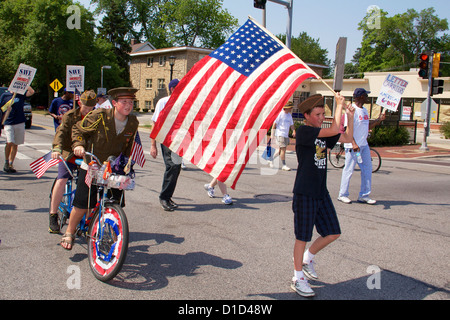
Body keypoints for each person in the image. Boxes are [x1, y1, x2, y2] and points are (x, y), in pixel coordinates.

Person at [291, 93, 354, 297]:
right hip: (305, 191)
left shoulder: (321, 134)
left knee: (333, 232)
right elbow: (335, 129)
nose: (321, 118)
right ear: (307, 115)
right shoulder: (304, 132)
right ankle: (297, 277)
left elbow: (347, 138)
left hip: (321, 191)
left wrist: (349, 117)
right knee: (303, 236)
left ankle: (308, 258)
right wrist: (338, 105)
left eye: (322, 114)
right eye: (317, 114)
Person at [60, 87, 139, 250]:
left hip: (114, 168)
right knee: (83, 204)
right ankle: (69, 231)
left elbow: (128, 145)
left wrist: (128, 164)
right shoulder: (100, 115)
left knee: (115, 203)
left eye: (131, 102)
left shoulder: (133, 122)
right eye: (124, 102)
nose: (128, 105)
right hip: (92, 165)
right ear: (115, 103)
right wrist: (79, 145)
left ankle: (110, 231)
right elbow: (78, 130)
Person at [48, 90, 97, 233]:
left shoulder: (96, 117)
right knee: (62, 179)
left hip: (86, 155)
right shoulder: (70, 115)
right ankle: (53, 214)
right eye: (86, 107)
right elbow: (61, 133)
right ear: (80, 103)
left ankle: (88, 220)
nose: (88, 110)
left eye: (91, 107)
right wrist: (57, 148)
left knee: (90, 184)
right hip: (69, 153)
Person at [337, 88, 385, 205]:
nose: (367, 98)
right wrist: (353, 143)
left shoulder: (364, 110)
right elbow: (348, 130)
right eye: (366, 95)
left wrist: (378, 120)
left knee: (367, 170)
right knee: (349, 170)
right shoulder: (351, 110)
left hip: (363, 146)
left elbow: (368, 125)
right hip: (354, 147)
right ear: (361, 97)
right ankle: (342, 194)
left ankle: (364, 195)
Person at [150, 79, 182, 212]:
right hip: (166, 138)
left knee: (177, 168)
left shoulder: (183, 103)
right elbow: (154, 123)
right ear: (172, 89)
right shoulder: (163, 102)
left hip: (179, 139)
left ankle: (168, 197)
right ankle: (164, 197)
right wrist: (153, 145)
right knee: (172, 166)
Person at [0, 86, 35, 173]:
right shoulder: (5, 95)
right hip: (8, 121)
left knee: (15, 144)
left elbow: (32, 92)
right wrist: (5, 109)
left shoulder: (21, 94)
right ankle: (6, 161)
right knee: (9, 142)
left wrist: (26, 84)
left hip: (19, 121)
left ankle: (11, 163)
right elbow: (1, 108)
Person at [268, 101, 296, 171]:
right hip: (280, 134)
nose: (291, 109)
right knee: (283, 150)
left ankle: (271, 159)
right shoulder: (280, 114)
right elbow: (274, 125)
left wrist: (294, 130)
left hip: (286, 135)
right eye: (290, 108)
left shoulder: (289, 115)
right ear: (287, 108)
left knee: (281, 150)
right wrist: (272, 134)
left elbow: (292, 124)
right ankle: (284, 165)